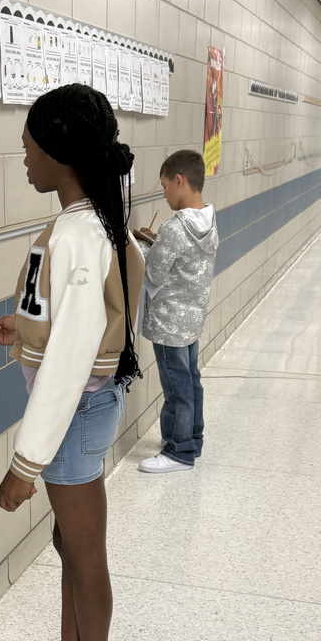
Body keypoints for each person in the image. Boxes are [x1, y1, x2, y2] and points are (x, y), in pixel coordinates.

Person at [0, 83, 145, 641]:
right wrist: (19, 331)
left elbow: (75, 354)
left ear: (59, 147)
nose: (24, 160)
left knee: (83, 554)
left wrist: (26, 463)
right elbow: (74, 322)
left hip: (73, 416)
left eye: (29, 147)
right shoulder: (91, 222)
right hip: (84, 409)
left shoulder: (77, 232)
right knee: (70, 546)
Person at [133, 150, 218, 473]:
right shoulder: (209, 220)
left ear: (179, 181)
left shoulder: (175, 228)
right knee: (191, 381)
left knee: (176, 387)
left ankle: (178, 451)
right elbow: (181, 263)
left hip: (169, 324)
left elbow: (153, 273)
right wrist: (159, 243)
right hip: (192, 318)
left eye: (165, 186)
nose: (164, 194)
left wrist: (141, 244)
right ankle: (192, 437)